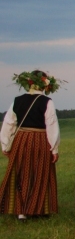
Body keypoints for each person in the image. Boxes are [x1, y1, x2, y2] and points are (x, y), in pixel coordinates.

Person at [1, 70, 61, 220]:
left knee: (21, 172)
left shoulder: (17, 100)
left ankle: (21, 211)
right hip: (40, 140)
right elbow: (51, 125)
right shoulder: (47, 101)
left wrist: (5, 145)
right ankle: (36, 209)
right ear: (45, 85)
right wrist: (54, 148)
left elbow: (9, 123)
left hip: (21, 139)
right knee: (39, 173)